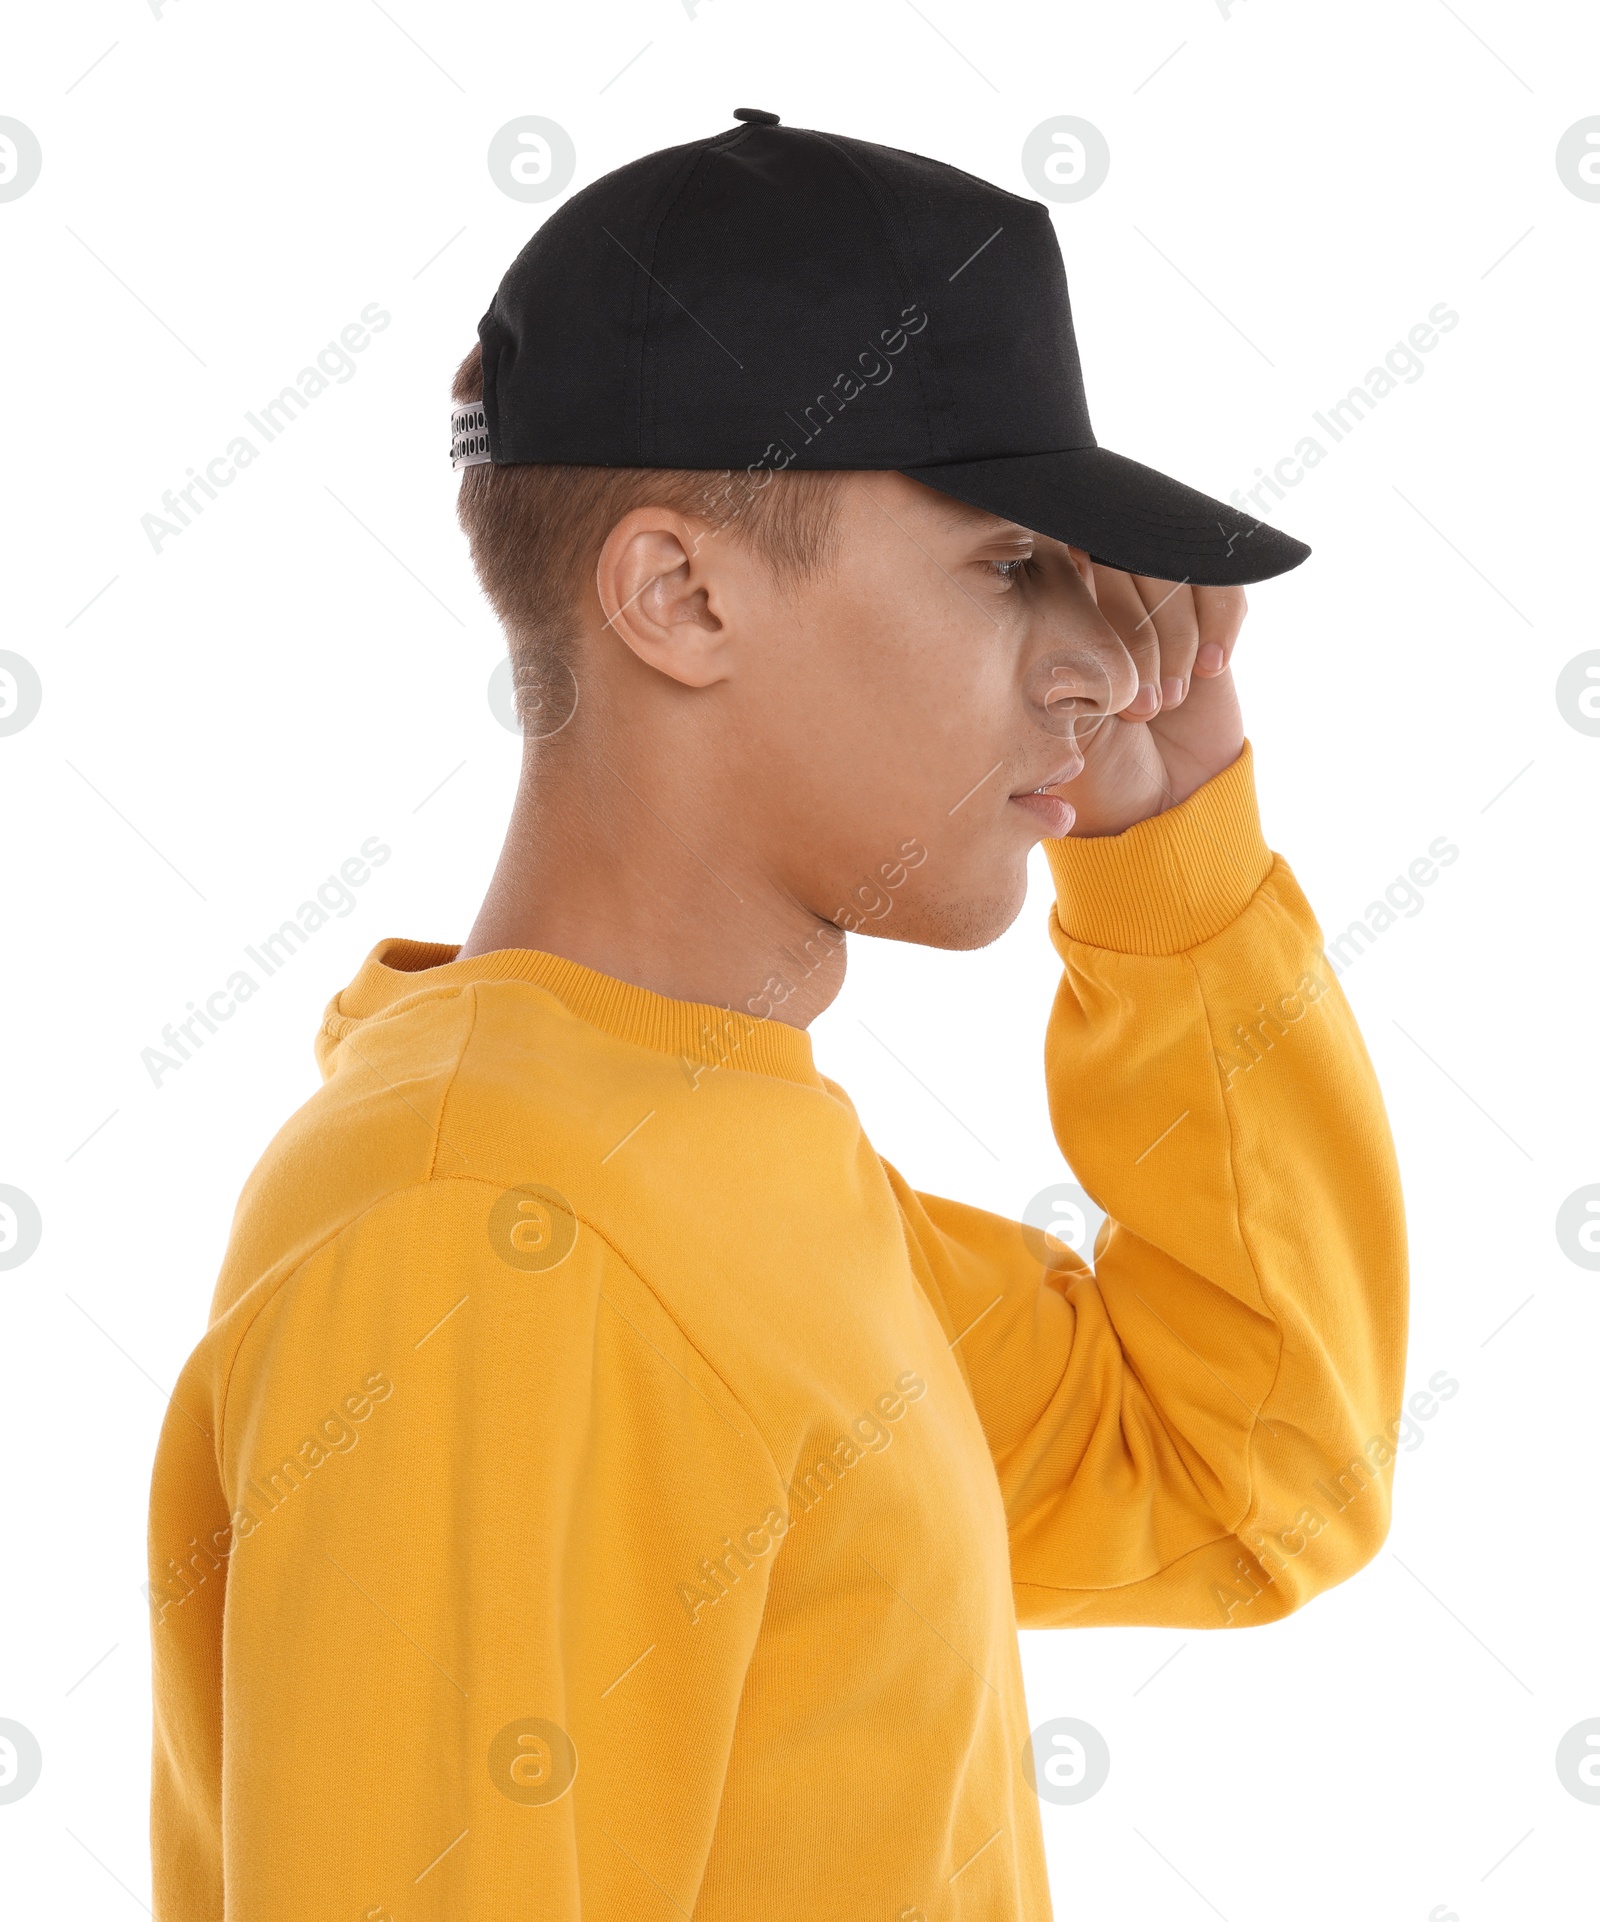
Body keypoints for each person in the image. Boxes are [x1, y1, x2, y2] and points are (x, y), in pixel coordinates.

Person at [147, 109, 1408, 1919]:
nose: (1106, 659)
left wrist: (1166, 845)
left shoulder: (707, 1145)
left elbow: (1250, 1467)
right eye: (1005, 565)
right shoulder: (492, 1234)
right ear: (679, 594)